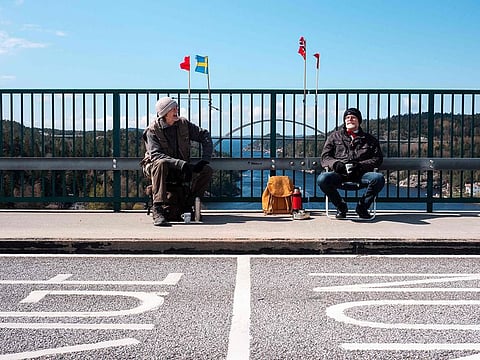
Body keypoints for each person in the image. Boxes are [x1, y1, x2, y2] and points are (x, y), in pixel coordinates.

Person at [141, 97, 213, 226]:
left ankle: (188, 204)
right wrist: (181, 164)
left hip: (181, 166)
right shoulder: (152, 130)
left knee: (206, 171)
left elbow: (204, 135)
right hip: (159, 167)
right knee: (161, 164)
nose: (176, 111)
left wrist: (204, 159)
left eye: (176, 108)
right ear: (164, 112)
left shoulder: (183, 124)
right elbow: (156, 155)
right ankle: (158, 208)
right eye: (173, 109)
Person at [317, 107, 385, 219]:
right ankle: (340, 206)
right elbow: (325, 157)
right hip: (340, 174)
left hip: (361, 174)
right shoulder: (334, 137)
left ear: (359, 121)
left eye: (353, 117)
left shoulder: (370, 139)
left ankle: (362, 207)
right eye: (347, 118)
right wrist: (336, 164)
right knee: (322, 179)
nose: (350, 120)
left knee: (378, 178)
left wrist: (361, 166)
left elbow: (377, 159)